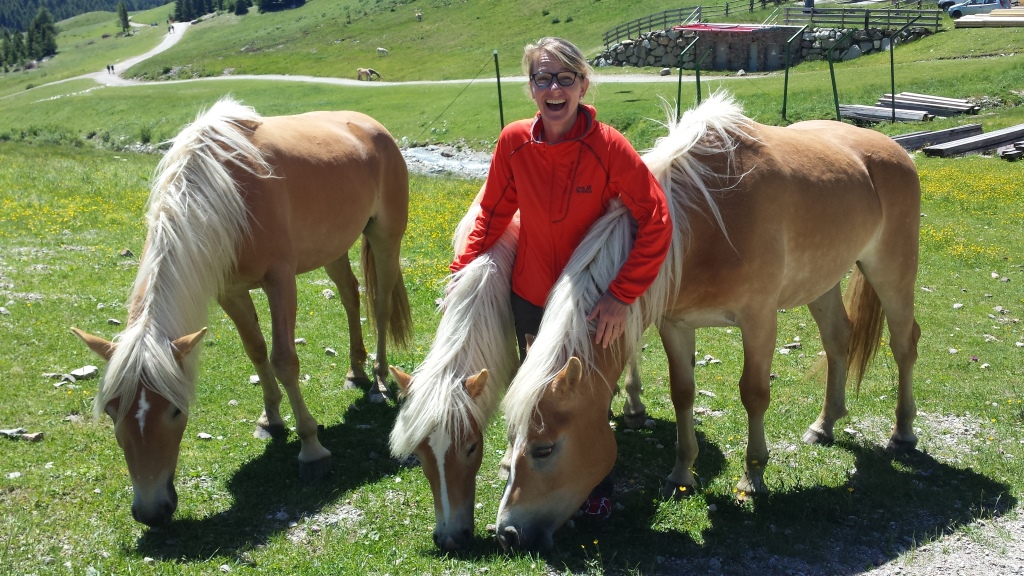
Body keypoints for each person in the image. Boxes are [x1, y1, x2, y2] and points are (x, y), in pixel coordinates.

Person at [449, 37, 672, 518]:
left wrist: (621, 295)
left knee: (587, 397)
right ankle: (531, 479)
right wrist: (461, 272)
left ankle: (597, 485)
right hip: (530, 296)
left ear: (582, 86)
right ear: (530, 87)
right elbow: (492, 214)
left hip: (588, 301)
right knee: (537, 396)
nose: (554, 89)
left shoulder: (608, 147)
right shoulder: (514, 141)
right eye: (543, 78)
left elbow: (656, 219)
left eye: (565, 78)